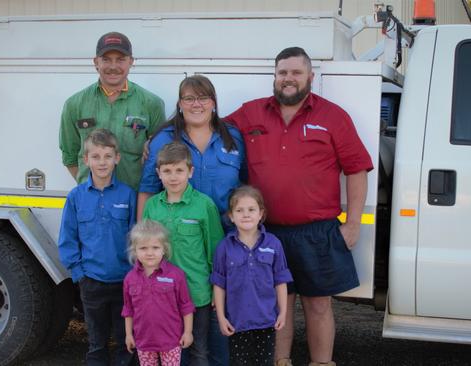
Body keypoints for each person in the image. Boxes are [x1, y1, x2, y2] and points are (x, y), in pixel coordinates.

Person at [225, 47, 374, 366]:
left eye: (295, 72)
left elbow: (356, 169)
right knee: (277, 307)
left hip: (318, 232)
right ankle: (281, 362)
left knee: (318, 306)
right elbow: (209, 128)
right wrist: (162, 138)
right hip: (266, 234)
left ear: (310, 77)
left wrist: (353, 223)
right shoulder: (251, 113)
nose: (288, 79)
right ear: (275, 77)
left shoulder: (333, 116)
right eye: (282, 73)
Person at [58, 128, 136, 366]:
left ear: (117, 158)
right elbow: (68, 238)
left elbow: (136, 237)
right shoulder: (76, 197)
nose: (102, 163)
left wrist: (135, 274)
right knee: (96, 342)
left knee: (126, 341)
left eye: (107, 156)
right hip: (91, 281)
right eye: (96, 157)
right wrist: (80, 274)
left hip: (124, 281)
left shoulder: (128, 195)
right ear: (86, 160)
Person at [142, 141, 225, 366]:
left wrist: (217, 289)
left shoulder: (204, 205)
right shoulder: (152, 207)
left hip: (197, 292)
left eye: (179, 170)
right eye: (167, 171)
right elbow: (144, 250)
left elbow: (215, 251)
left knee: (198, 349)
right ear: (158, 173)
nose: (173, 177)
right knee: (169, 349)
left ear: (190, 171)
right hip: (162, 294)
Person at [60, 31, 165, 190]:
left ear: (131, 61)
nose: (113, 67)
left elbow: (159, 158)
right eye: (106, 60)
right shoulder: (74, 104)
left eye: (120, 60)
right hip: (90, 200)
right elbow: (70, 156)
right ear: (96, 62)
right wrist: (92, 188)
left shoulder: (152, 104)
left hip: (134, 200)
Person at [138, 74, 246, 222]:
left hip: (228, 232)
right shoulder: (163, 139)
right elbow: (148, 189)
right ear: (180, 105)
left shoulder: (233, 137)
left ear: (213, 103)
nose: (196, 104)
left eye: (203, 98)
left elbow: (246, 183)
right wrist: (143, 234)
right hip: (179, 234)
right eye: (189, 99)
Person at [211, 185, 293, 366]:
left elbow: (280, 281)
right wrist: (221, 317)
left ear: (261, 214)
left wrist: (283, 313)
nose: (246, 214)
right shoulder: (224, 247)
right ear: (231, 216)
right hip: (237, 322)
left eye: (251, 209)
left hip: (266, 321)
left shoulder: (273, 244)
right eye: (239, 210)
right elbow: (219, 284)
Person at [122, 220, 195, 366]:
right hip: (143, 341)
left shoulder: (176, 275)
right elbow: (128, 309)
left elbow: (186, 306)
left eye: (155, 247)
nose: (149, 253)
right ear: (134, 250)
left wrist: (188, 332)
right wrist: (129, 335)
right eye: (143, 248)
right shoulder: (130, 278)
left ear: (164, 249)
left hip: (171, 340)